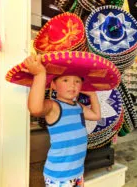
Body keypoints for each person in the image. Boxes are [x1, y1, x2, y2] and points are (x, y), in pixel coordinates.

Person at [24, 55, 101, 187]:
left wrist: (93, 95)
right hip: (59, 176)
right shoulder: (54, 106)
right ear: (53, 85)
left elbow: (96, 115)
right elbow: (35, 108)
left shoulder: (78, 106)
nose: (72, 85)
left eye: (77, 81)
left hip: (77, 172)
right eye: (65, 80)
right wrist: (40, 75)